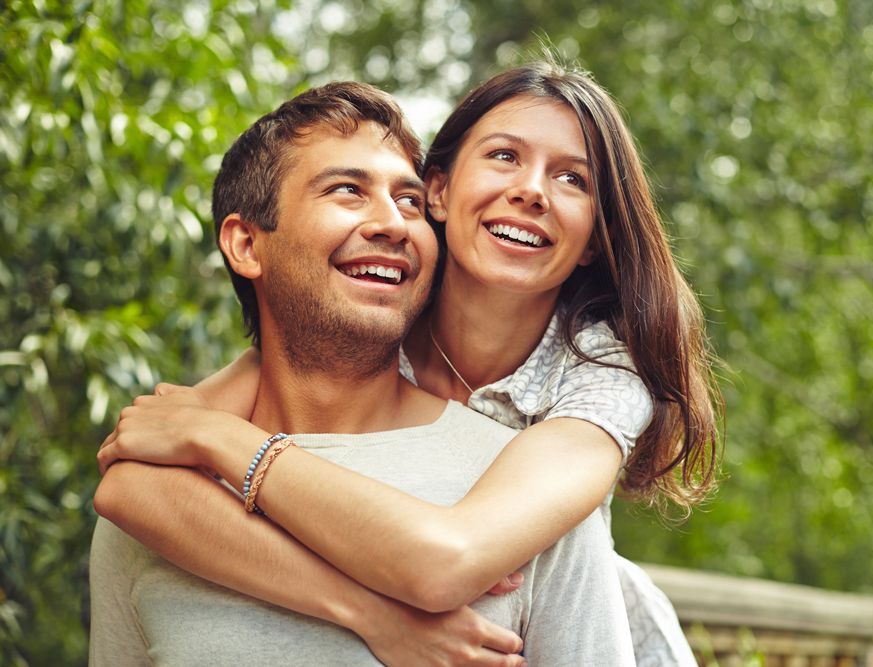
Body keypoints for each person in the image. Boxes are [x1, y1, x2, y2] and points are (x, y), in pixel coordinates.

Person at [96, 60, 720, 666]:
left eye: (573, 179)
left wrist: (218, 438)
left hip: (606, 621)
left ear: (594, 240)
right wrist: (371, 615)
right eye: (505, 155)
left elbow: (448, 561)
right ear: (441, 192)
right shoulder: (379, 298)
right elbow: (129, 482)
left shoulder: (605, 371)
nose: (531, 190)